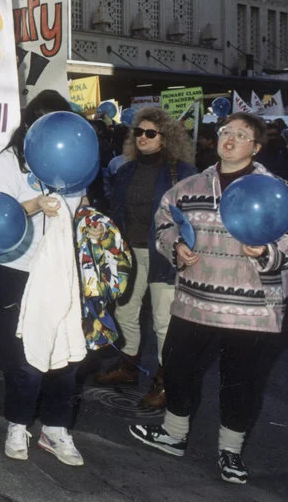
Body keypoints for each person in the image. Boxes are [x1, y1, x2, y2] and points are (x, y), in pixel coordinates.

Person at [129, 112, 288, 485]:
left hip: (252, 310)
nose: (229, 139)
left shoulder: (277, 190)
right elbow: (164, 222)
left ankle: (230, 452)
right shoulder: (189, 186)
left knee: (240, 381)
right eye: (225, 131)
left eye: (241, 134)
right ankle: (174, 435)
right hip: (195, 300)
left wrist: (268, 253)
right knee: (178, 367)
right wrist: (176, 247)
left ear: (256, 147)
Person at [0, 90, 87, 467]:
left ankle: (56, 428)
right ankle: (18, 423)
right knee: (23, 357)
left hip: (60, 270)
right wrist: (34, 205)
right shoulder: (10, 161)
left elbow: (81, 209)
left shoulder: (75, 160)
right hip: (16, 268)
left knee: (66, 352)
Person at [95, 107, 197, 410]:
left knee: (164, 321)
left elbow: (193, 217)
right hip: (130, 251)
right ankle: (128, 367)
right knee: (126, 310)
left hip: (164, 253)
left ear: (165, 138)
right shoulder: (125, 170)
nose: (142, 137)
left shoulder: (183, 172)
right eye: (138, 132)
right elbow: (115, 211)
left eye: (150, 133)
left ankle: (165, 381)